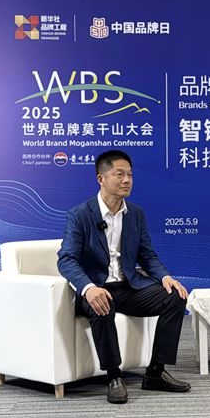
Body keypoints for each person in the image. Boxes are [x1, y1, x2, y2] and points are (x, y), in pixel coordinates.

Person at [57, 150, 191, 404]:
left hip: (129, 286)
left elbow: (146, 254)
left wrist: (164, 277)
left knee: (175, 296)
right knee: (103, 304)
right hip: (96, 288)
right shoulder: (80, 214)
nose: (127, 180)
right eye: (119, 174)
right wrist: (88, 287)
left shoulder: (135, 214)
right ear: (101, 178)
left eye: (129, 175)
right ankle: (114, 376)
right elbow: (66, 259)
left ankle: (155, 372)